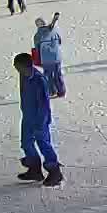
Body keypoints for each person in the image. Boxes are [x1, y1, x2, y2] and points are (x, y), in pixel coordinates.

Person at [13, 52, 62, 187]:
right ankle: (34, 169)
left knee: (44, 144)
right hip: (28, 116)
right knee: (26, 143)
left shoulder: (39, 80)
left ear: (26, 66)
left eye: (17, 67)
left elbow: (44, 104)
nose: (16, 69)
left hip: (40, 118)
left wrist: (41, 122)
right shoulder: (23, 75)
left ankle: (55, 171)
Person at [33, 13, 67, 97]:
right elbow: (59, 41)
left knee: (48, 75)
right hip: (56, 57)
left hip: (46, 59)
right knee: (58, 74)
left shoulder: (37, 36)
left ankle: (51, 91)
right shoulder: (54, 31)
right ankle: (61, 91)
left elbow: (37, 48)